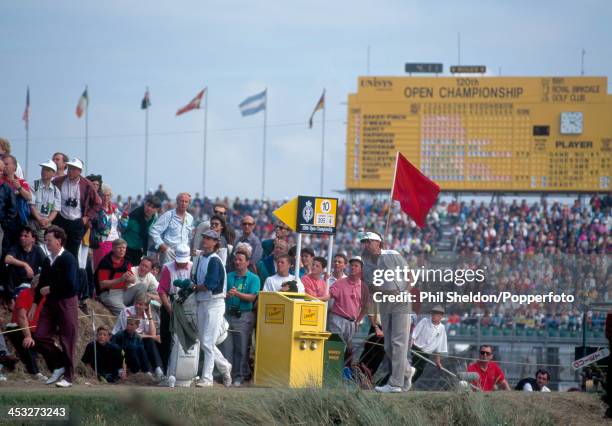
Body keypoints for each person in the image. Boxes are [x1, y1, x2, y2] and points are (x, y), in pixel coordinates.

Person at [360, 231, 414, 393]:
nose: (366, 245)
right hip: (384, 303)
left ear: (378, 243)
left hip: (400, 302)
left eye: (369, 241)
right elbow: (371, 287)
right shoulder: (367, 262)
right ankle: (407, 371)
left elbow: (410, 276)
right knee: (388, 346)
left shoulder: (392, 254)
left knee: (398, 343)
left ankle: (395, 384)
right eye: (365, 242)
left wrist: (405, 292)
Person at [33, 225, 79, 388]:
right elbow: (42, 284)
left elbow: (71, 285)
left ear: (59, 241)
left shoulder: (69, 259)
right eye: (45, 240)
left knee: (68, 339)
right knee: (39, 336)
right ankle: (59, 366)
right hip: (50, 303)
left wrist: (51, 289)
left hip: (67, 302)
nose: (46, 243)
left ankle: (69, 377)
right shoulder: (47, 260)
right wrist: (35, 303)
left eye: (49, 240)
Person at [194, 229, 232, 387]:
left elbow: (210, 284)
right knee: (204, 341)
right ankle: (224, 366)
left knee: (208, 342)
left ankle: (207, 378)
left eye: (210, 239)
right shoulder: (202, 257)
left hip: (214, 303)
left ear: (216, 242)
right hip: (203, 302)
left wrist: (194, 287)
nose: (205, 241)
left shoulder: (215, 260)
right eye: (205, 238)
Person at [222, 249, 260, 386]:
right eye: (236, 259)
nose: (237, 262)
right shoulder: (229, 276)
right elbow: (221, 294)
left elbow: (252, 297)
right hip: (228, 315)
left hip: (244, 316)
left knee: (242, 348)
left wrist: (237, 294)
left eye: (240, 260)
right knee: (226, 348)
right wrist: (227, 295)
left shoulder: (254, 278)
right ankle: (227, 375)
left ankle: (239, 377)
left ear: (247, 262)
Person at [52, 158, 102, 258]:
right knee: (56, 249)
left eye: (74, 169)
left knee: (72, 253)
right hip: (60, 219)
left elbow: (98, 202)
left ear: (80, 171)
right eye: (69, 168)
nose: (70, 171)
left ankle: (71, 272)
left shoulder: (87, 184)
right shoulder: (58, 181)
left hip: (77, 221)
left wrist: (87, 217)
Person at [4, 273, 49, 381]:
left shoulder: (45, 298)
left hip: (35, 330)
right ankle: (34, 372)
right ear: (35, 284)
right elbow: (21, 317)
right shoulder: (25, 294)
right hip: (17, 327)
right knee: (27, 343)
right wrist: (28, 336)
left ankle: (59, 369)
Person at [328, 256, 370, 366]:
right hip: (337, 319)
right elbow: (329, 296)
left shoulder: (364, 287)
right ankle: (333, 372)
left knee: (349, 350)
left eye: (356, 266)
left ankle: (345, 374)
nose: (353, 267)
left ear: (361, 269)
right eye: (352, 265)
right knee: (337, 347)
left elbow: (366, 306)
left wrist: (358, 320)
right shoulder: (340, 283)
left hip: (351, 322)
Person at [156, 243, 192, 370]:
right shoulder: (167, 268)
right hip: (171, 302)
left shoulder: (193, 267)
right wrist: (169, 308)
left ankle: (187, 368)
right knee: (166, 337)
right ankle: (166, 368)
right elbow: (162, 291)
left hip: (188, 304)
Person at [112, 295, 163, 379]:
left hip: (137, 339)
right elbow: (130, 331)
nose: (137, 306)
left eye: (140, 304)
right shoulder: (126, 311)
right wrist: (152, 337)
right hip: (122, 338)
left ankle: (158, 369)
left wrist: (149, 316)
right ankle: (145, 370)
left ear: (146, 306)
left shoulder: (146, 315)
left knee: (150, 341)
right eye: (136, 303)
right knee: (150, 339)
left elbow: (152, 333)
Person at [95, 239, 147, 316]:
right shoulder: (106, 262)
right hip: (108, 294)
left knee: (142, 286)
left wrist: (131, 279)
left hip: (122, 292)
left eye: (124, 248)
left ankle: (136, 309)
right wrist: (120, 279)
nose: (122, 250)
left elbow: (132, 279)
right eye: (119, 248)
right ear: (113, 249)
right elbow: (102, 284)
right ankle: (130, 314)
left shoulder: (126, 261)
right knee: (127, 315)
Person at [149, 192, 193, 266]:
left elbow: (189, 237)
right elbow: (153, 231)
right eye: (181, 201)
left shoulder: (190, 218)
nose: (183, 203)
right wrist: (161, 245)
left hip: (184, 255)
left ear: (189, 203)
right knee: (167, 275)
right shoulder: (169, 215)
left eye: (186, 202)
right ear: (177, 202)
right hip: (169, 253)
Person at [92, 184, 127, 269]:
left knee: (115, 267)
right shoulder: (97, 209)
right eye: (103, 195)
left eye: (108, 195)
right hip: (102, 242)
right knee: (101, 267)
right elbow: (101, 226)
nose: (106, 198)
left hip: (116, 241)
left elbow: (123, 225)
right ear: (100, 196)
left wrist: (125, 216)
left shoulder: (115, 208)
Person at [5, 226, 47, 298]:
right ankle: (10, 299)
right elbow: (7, 259)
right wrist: (25, 265)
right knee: (10, 267)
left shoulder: (38, 250)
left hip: (31, 281)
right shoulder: (16, 247)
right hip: (16, 281)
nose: (22, 238)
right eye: (21, 235)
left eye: (26, 236)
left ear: (33, 239)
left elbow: (47, 265)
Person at [411, 306, 448, 384]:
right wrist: (409, 347)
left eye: (436, 314)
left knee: (419, 371)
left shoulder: (442, 328)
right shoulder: (424, 321)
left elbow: (439, 346)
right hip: (415, 349)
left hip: (425, 354)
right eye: (433, 314)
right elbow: (414, 335)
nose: (434, 316)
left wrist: (438, 361)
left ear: (441, 316)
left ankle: (407, 385)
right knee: (409, 368)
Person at [29, 160, 61, 249]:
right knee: (31, 246)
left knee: (46, 248)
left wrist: (48, 220)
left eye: (47, 170)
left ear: (53, 174)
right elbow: (32, 205)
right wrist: (39, 219)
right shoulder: (33, 185)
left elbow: (55, 210)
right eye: (43, 169)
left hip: (47, 223)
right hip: (33, 221)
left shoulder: (56, 191)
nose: (44, 171)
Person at [122, 195, 161, 265]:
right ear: (145, 204)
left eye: (153, 207)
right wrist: (124, 216)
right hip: (126, 250)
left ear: (157, 210)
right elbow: (122, 229)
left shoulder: (155, 218)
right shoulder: (134, 217)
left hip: (141, 251)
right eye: (148, 205)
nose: (149, 208)